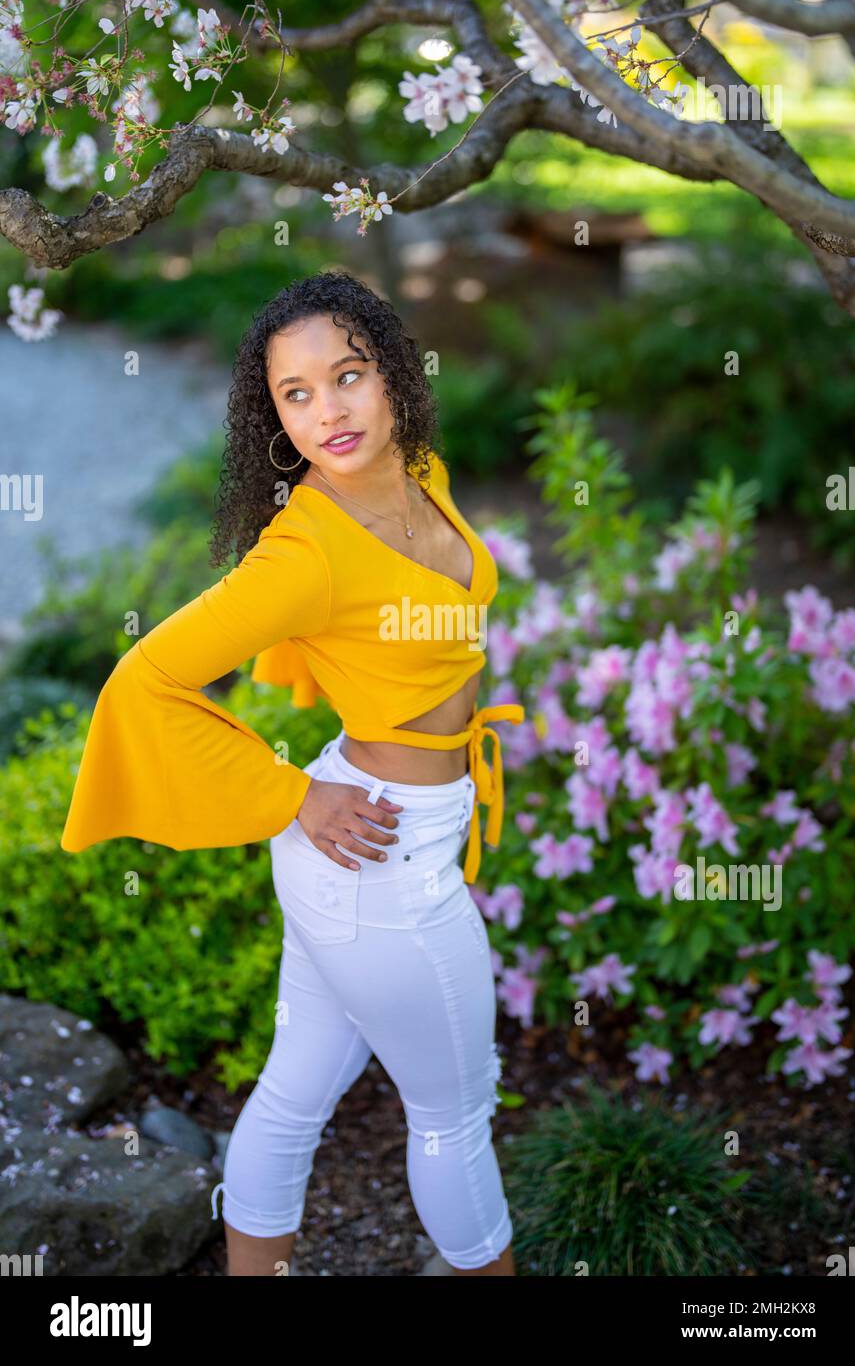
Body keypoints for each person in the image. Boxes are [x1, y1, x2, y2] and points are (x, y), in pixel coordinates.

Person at [61, 269, 525, 1276]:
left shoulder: (420, 474)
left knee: (295, 1090)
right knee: (453, 1116)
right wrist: (291, 795)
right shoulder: (302, 551)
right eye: (295, 394)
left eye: (346, 376)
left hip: (374, 849)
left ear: (392, 373)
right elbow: (145, 680)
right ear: (270, 414)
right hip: (374, 854)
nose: (328, 411)